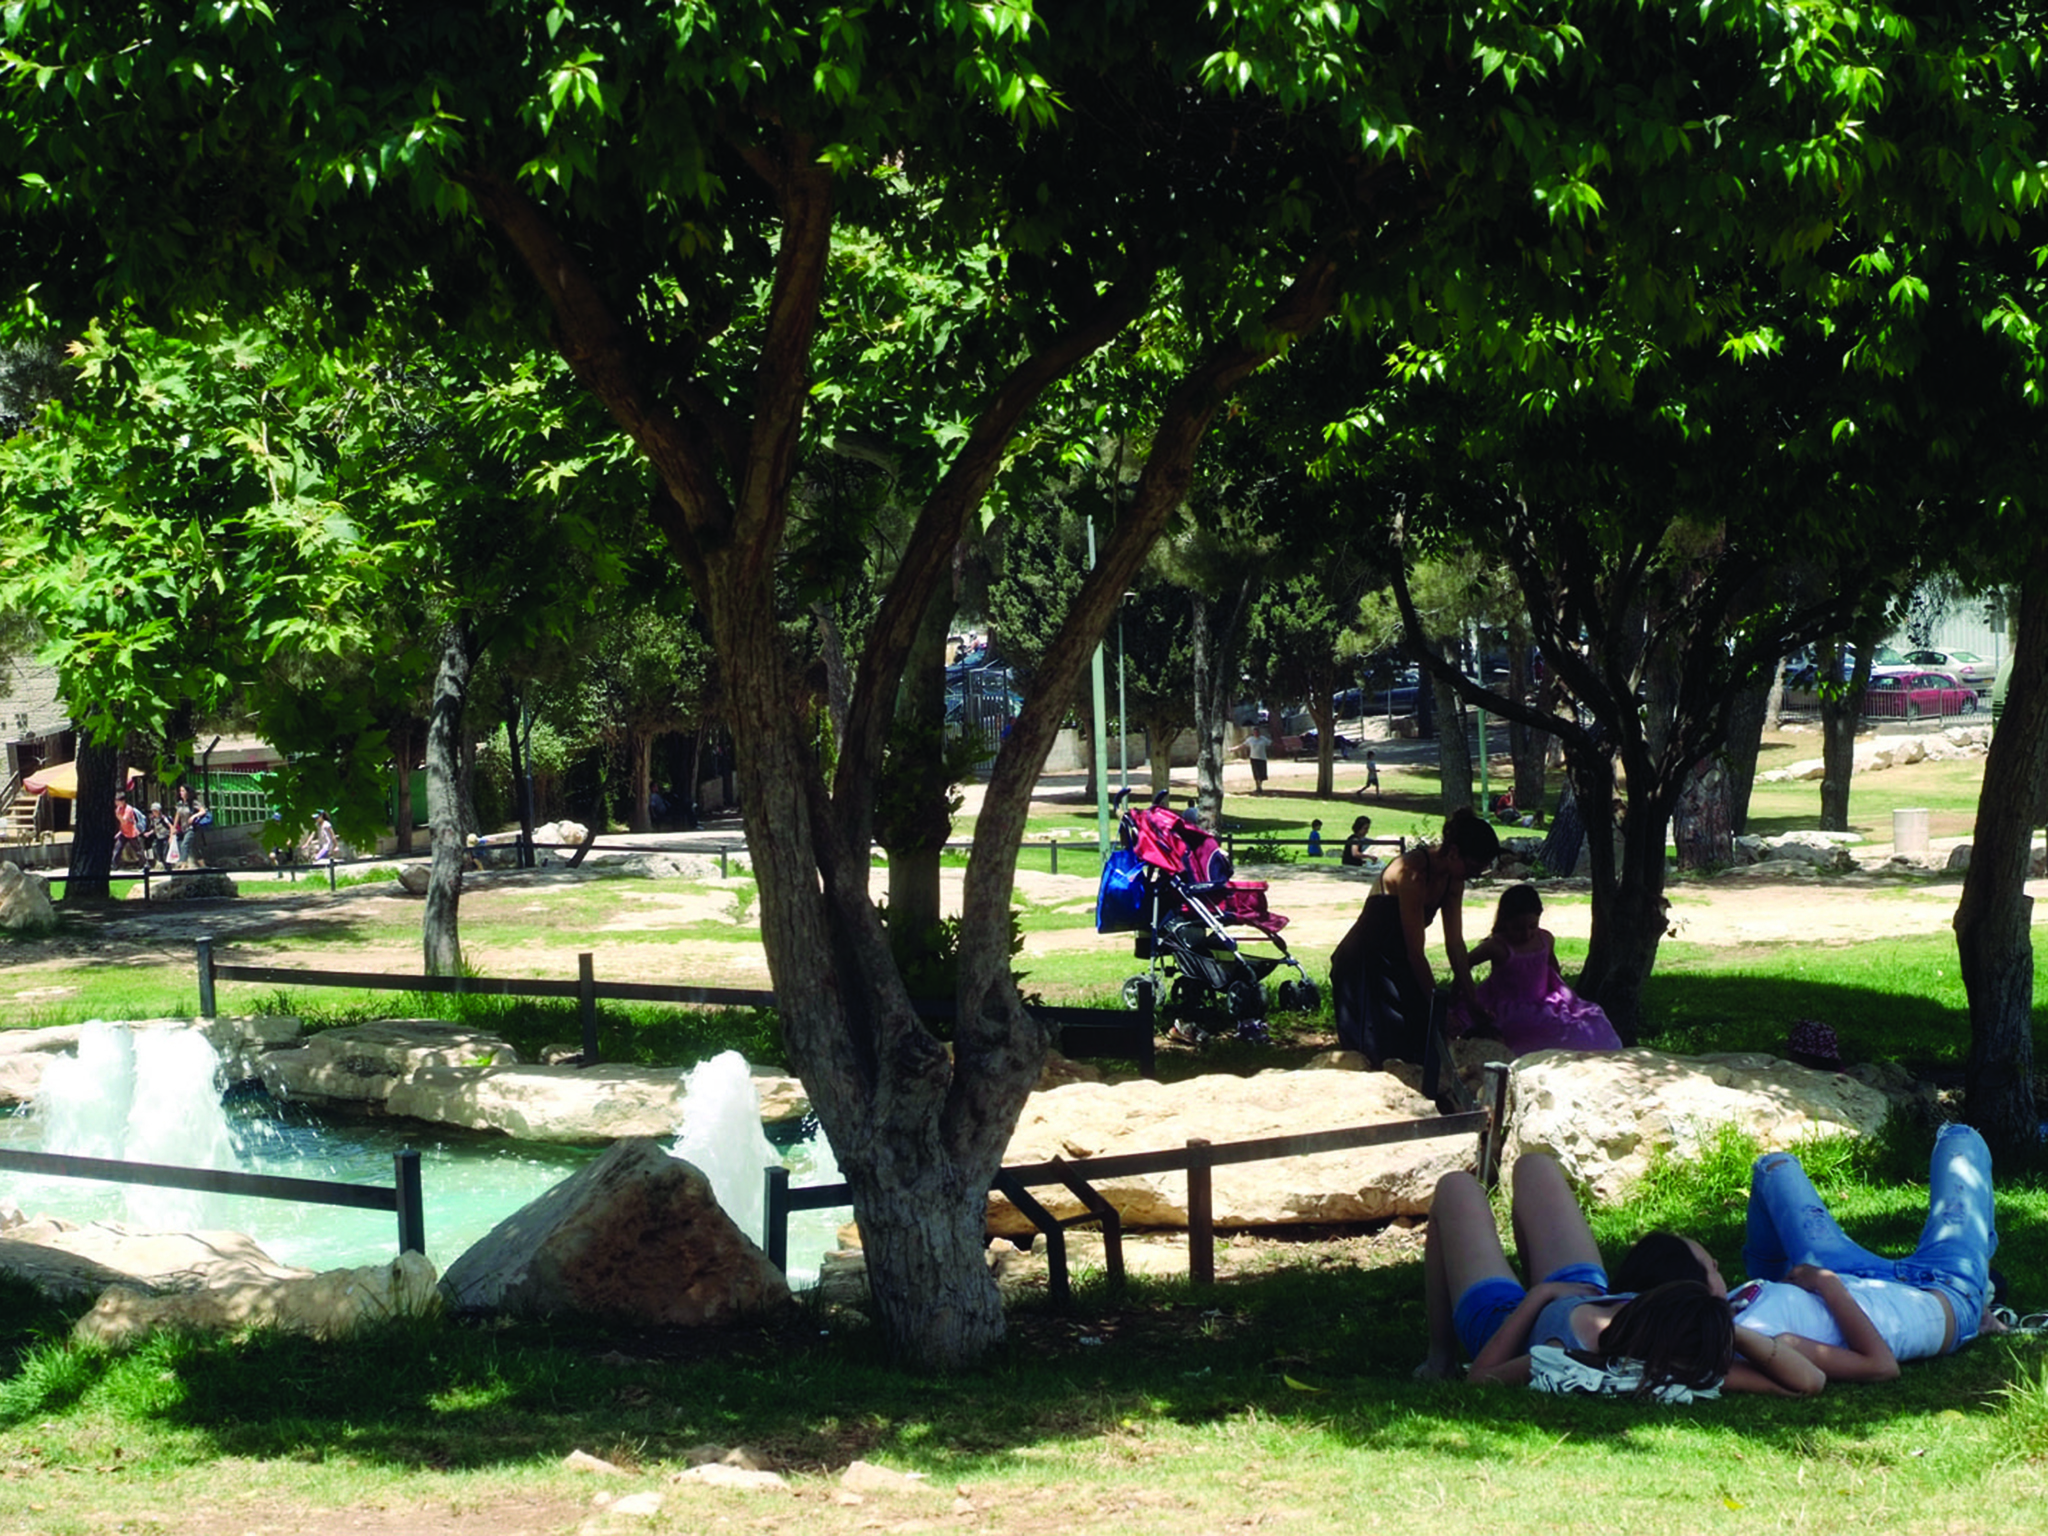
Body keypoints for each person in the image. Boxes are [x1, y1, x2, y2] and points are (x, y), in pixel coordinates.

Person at [1417, 1155, 1814, 1395]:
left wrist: (1539, 1296)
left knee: (1456, 1188)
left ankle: (1439, 1360)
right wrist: (1724, 1323)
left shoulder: (1568, 1356)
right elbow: (1808, 1380)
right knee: (1534, 1165)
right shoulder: (1670, 1322)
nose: (1720, 1273)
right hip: (1587, 1292)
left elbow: (1483, 1379)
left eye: (1711, 1267)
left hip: (1508, 1322)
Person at [1729, 1125, 1998, 1376]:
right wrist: (1826, 1283)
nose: (1717, 1264)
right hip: (1944, 1292)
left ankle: (1785, 1276)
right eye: (1707, 1264)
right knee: (1961, 1137)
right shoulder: (1757, 1339)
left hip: (1850, 1275)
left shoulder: (1724, 1305)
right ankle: (1980, 1307)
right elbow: (1880, 1366)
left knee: (1775, 1167)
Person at [1327, 807, 1499, 1067]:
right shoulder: (1414, 873)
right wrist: (1436, 1008)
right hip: (1363, 964)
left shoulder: (1453, 880)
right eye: (1473, 868)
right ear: (1453, 852)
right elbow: (1415, 952)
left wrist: (1472, 999)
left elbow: (1455, 943)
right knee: (1376, 1052)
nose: (1472, 876)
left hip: (1397, 959)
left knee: (1420, 1045)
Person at [1451, 884, 1621, 1055]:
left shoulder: (1545, 939)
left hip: (1543, 1002)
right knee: (1520, 1031)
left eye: (1532, 926)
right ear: (1505, 921)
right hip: (1508, 1008)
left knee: (1583, 1023)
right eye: (1518, 928)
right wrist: (1463, 992)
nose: (1526, 934)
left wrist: (1560, 992)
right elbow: (1463, 964)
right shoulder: (1497, 946)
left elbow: (1551, 966)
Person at [1246, 722, 1270, 795]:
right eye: (1254, 732)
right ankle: (1258, 787)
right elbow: (1243, 745)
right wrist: (1233, 749)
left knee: (1262, 774)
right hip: (1253, 758)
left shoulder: (1263, 739)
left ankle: (1260, 786)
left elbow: (1271, 744)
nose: (1256, 733)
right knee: (1256, 774)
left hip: (1262, 758)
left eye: (1257, 732)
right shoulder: (1250, 739)